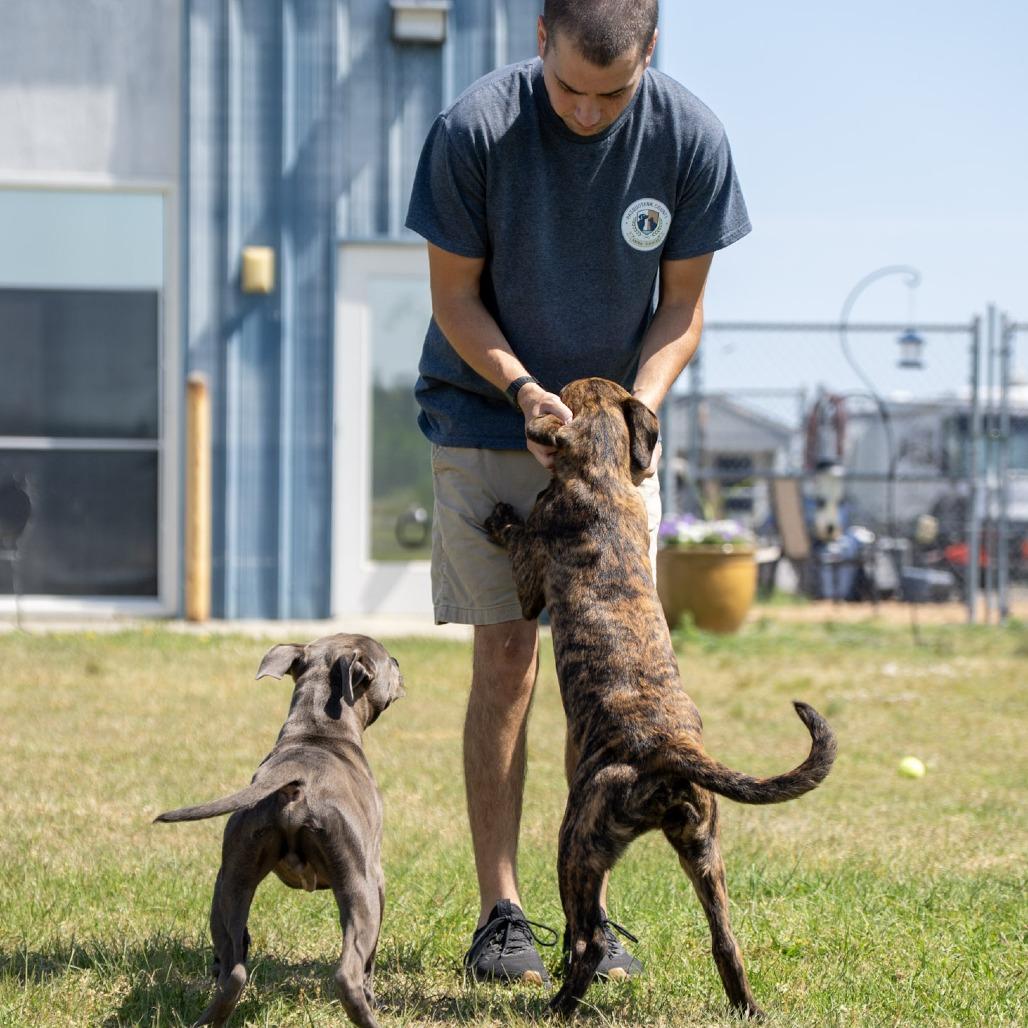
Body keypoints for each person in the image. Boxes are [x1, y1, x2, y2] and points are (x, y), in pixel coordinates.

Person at [405, 0, 751, 987]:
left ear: (651, 55)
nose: (590, 112)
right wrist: (520, 386)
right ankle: (501, 908)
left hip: (611, 439)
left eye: (614, 91)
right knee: (509, 657)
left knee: (608, 673)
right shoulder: (473, 132)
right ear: (537, 42)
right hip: (488, 411)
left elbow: (681, 307)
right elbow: (453, 296)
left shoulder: (689, 137)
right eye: (568, 89)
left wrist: (634, 411)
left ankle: (589, 916)